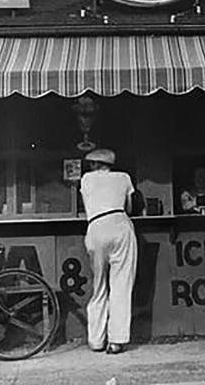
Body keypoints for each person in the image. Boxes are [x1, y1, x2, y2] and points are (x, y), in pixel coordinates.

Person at [80, 148, 137, 355]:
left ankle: (96, 339)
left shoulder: (86, 179)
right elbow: (131, 206)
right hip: (119, 223)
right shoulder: (123, 177)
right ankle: (116, 340)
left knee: (99, 286)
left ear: (95, 164)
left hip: (95, 226)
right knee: (121, 283)